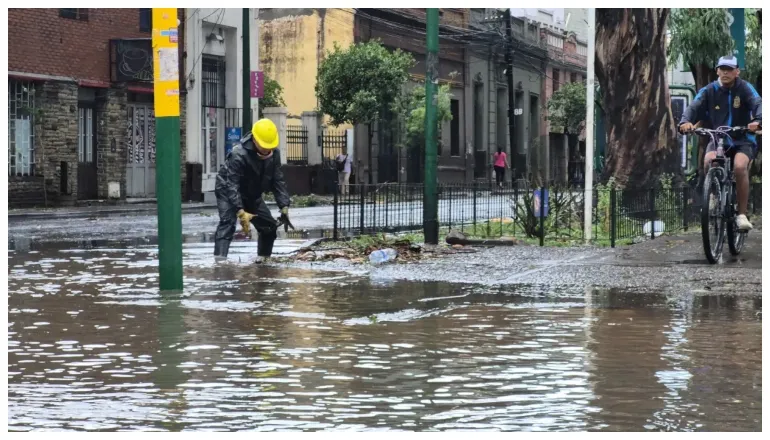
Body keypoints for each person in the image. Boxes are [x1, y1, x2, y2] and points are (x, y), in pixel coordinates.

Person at [679, 55, 762, 231]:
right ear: (717, 71)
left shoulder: (745, 88)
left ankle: (741, 214)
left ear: (737, 72)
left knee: (740, 167)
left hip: (743, 138)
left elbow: (758, 103)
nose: (725, 72)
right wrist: (685, 121)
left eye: (730, 69)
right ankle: (714, 193)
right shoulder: (709, 90)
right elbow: (694, 106)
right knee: (709, 161)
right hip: (719, 138)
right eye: (722, 69)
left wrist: (759, 121)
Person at [213, 118, 291, 263]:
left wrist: (284, 205)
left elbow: (278, 180)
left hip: (252, 193)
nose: (266, 149)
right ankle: (220, 264)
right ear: (254, 139)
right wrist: (240, 211)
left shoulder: (274, 155)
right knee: (227, 224)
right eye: (263, 146)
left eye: (269, 146)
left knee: (269, 226)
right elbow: (232, 185)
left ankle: (263, 259)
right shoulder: (238, 154)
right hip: (227, 190)